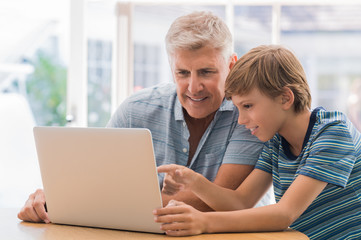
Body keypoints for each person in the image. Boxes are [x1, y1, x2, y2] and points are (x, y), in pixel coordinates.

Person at [18, 12, 273, 224]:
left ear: (231, 65)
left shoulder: (249, 115)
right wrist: (54, 199)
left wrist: (98, 205)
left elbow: (222, 200)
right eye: (182, 73)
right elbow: (94, 181)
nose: (193, 87)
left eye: (206, 72)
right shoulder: (135, 111)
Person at [153, 45, 361, 239]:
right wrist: (194, 181)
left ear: (285, 98)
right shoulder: (277, 143)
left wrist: (204, 222)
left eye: (248, 106)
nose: (241, 120)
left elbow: (284, 214)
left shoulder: (333, 133)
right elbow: (240, 202)